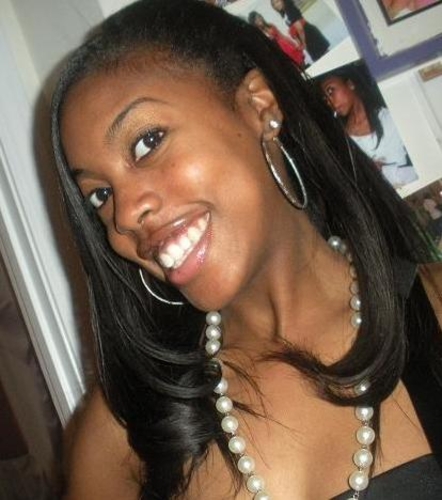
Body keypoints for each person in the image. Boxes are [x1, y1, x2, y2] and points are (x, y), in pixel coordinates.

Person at [51, 1, 442, 499]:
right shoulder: (123, 434)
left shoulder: (435, 310)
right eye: (100, 195)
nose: (125, 215)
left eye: (148, 141)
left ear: (260, 105)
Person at [319, 67, 419, 189]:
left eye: (331, 91)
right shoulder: (340, 138)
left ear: (350, 84)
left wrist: (382, 170)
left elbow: (422, 168)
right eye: (325, 99)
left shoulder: (391, 117)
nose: (329, 102)